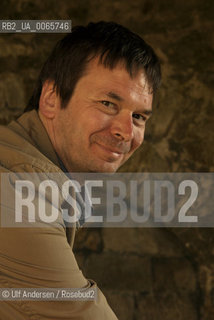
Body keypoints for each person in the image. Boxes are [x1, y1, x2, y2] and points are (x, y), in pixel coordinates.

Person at [0, 21, 161, 319]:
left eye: (138, 116)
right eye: (107, 103)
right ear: (51, 98)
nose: (126, 131)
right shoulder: (15, 189)